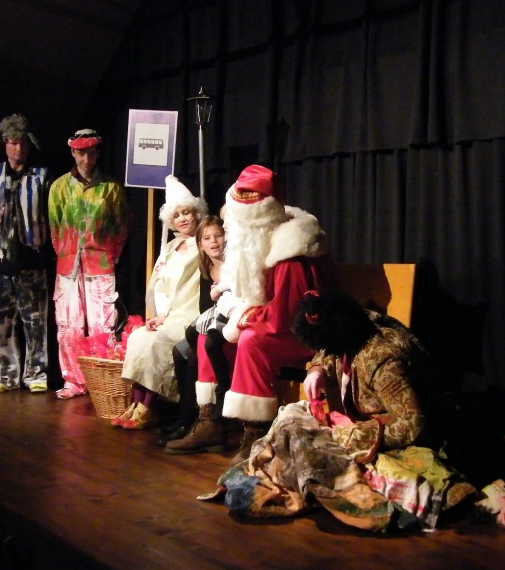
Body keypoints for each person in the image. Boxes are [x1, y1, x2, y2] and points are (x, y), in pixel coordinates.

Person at [202, 289, 505, 535]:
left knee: (370, 473)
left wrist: (354, 435)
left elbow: (414, 424)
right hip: (350, 420)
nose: (324, 351)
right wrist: (316, 370)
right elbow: (324, 351)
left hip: (397, 438)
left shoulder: (384, 360)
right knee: (290, 418)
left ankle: (477, 500)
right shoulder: (350, 325)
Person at [212, 164, 338, 463]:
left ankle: (255, 429)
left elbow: (284, 318)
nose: (232, 230)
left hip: (309, 334)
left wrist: (242, 317)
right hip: (282, 324)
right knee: (210, 339)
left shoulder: (291, 256)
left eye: (240, 225)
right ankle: (211, 420)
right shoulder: (261, 244)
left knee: (252, 341)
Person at [112, 175, 207, 429]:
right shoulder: (171, 247)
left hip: (191, 315)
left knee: (156, 343)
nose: (182, 219)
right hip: (170, 315)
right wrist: (160, 315)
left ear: (196, 213)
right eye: (176, 215)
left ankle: (148, 406)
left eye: (186, 212)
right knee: (138, 337)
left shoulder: (204, 243)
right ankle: (137, 403)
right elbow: (160, 285)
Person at [48, 129, 128, 399]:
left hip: (100, 262)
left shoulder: (110, 188)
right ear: (73, 152)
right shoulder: (59, 187)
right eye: (81, 153)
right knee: (68, 325)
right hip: (68, 264)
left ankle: (101, 380)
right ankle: (73, 380)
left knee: (102, 324)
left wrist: (109, 255)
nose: (86, 159)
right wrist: (67, 252)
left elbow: (121, 226)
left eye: (91, 153)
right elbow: (55, 228)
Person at [0, 114, 51, 394]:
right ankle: (5, 375)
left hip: (31, 257)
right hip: (0, 259)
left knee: (35, 320)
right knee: (1, 321)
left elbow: (48, 215)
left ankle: (36, 373)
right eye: (12, 142)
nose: (17, 148)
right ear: (5, 144)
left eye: (22, 142)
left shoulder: (41, 176)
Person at [161, 215, 235, 452]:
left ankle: (197, 421)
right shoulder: (206, 268)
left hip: (229, 327)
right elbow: (206, 307)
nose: (214, 242)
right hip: (211, 322)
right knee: (180, 350)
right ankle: (186, 416)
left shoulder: (233, 264)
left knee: (194, 353)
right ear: (200, 244)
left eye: (218, 236)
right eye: (207, 238)